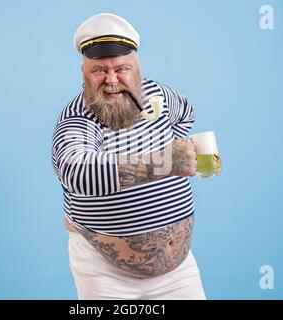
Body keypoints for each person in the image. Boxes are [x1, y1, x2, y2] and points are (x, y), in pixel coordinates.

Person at [51, 13, 206, 300]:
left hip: (179, 272)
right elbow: (76, 172)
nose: (112, 81)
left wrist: (174, 149)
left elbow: (186, 113)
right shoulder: (79, 118)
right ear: (84, 72)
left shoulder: (158, 97)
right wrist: (165, 162)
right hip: (107, 276)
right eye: (99, 70)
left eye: (121, 69)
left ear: (137, 68)